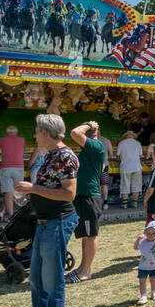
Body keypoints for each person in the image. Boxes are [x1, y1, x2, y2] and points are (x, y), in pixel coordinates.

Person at [11, 113, 79, 307]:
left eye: (37, 131)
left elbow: (69, 193)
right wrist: (30, 194)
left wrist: (33, 188)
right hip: (45, 222)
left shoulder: (64, 156)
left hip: (57, 222)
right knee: (37, 279)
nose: (34, 135)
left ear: (46, 133)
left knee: (51, 279)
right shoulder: (51, 155)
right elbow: (48, 187)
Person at [67, 120, 107, 281]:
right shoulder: (91, 149)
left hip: (89, 197)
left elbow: (74, 133)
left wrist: (89, 126)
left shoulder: (96, 146)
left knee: (90, 235)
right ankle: (83, 268)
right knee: (85, 234)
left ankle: (85, 271)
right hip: (84, 197)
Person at [0, 125, 27, 222]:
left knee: (8, 193)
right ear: (16, 132)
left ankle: (10, 215)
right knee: (16, 192)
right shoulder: (22, 140)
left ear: (7, 133)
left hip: (6, 168)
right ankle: (3, 213)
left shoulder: (2, 140)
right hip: (19, 168)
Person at [134, 220, 155, 304]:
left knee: (153, 280)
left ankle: (154, 292)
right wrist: (138, 240)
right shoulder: (144, 243)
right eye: (148, 233)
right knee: (142, 281)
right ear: (145, 233)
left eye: (154, 233)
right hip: (143, 266)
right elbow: (136, 247)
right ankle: (143, 296)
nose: (151, 235)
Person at [116, 130, 145, 208]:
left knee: (125, 185)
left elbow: (118, 156)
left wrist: (121, 159)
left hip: (125, 167)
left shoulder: (121, 143)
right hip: (137, 167)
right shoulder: (138, 143)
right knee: (136, 185)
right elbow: (140, 156)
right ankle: (134, 203)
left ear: (125, 136)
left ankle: (125, 204)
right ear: (133, 136)